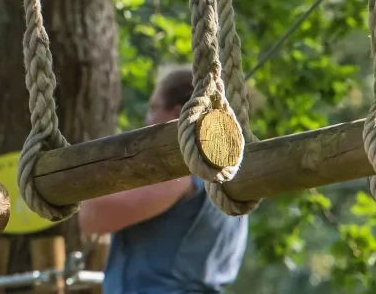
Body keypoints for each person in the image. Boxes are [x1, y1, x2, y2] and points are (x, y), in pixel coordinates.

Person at [80, 67, 249, 293]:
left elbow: (93, 215)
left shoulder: (180, 172)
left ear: (177, 114)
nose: (146, 119)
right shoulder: (227, 171)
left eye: (153, 109)